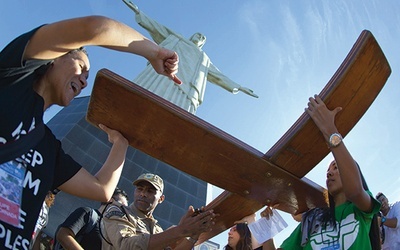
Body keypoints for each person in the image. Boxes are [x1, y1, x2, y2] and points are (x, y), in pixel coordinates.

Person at [0, 14, 181, 249]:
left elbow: (102, 189)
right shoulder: (10, 81)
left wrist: (121, 141)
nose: (85, 81)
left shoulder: (48, 147)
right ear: (54, 57)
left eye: (87, 77)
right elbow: (94, 28)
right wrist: (154, 52)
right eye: (81, 67)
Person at [261, 95, 381, 250]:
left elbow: (356, 191)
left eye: (336, 168)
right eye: (328, 170)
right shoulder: (313, 219)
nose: (329, 173)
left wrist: (329, 130)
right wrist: (266, 229)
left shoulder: (360, 211)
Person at [122, 0, 258, 114]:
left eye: (203, 38)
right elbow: (157, 28)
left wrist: (239, 87)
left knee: (175, 113)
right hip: (163, 75)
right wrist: (138, 12)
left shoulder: (203, 58)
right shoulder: (177, 38)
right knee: (141, 98)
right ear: (193, 36)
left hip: (186, 89)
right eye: (199, 34)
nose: (200, 37)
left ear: (203, 43)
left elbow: (219, 76)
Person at [101, 173, 216, 249]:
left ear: (161, 199)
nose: (143, 194)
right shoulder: (118, 210)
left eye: (150, 191)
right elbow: (126, 245)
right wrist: (181, 230)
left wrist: (193, 235)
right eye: (140, 189)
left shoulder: (157, 229)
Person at [55, 187, 129, 250]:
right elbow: (63, 235)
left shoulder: (112, 231)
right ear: (110, 200)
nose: (122, 211)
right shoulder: (87, 214)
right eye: (121, 205)